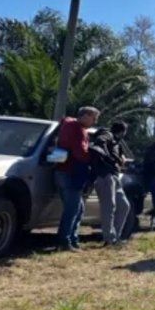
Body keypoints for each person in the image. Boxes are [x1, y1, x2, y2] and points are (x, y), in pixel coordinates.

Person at [55, 106, 100, 252]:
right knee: (72, 209)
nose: (95, 121)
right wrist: (93, 155)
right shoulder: (78, 130)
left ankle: (73, 239)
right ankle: (65, 241)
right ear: (85, 116)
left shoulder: (67, 125)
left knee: (78, 208)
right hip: (72, 173)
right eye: (94, 118)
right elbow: (80, 153)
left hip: (62, 171)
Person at [90, 122, 131, 246]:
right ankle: (109, 239)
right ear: (123, 131)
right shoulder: (107, 134)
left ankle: (115, 237)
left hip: (114, 175)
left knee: (124, 205)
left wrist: (120, 158)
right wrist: (109, 158)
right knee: (109, 207)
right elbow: (99, 143)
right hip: (105, 175)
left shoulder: (117, 142)